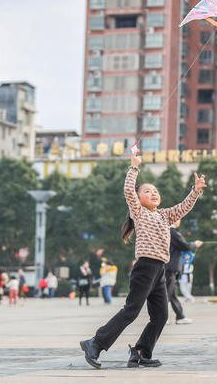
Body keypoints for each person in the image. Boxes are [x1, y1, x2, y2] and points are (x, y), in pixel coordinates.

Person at [80, 150, 206, 369]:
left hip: (159, 270)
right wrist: (134, 167)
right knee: (132, 310)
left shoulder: (165, 215)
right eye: (147, 191)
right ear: (138, 199)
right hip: (145, 267)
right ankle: (95, 343)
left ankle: (140, 352)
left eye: (156, 191)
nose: (153, 193)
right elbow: (128, 189)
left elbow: (183, 208)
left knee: (161, 316)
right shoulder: (138, 211)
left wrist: (195, 192)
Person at [166, 221, 203, 325]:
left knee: (172, 294)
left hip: (171, 267)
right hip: (170, 267)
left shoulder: (170, 231)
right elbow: (184, 246)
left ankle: (180, 316)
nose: (180, 221)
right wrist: (195, 244)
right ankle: (161, 318)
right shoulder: (172, 231)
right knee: (167, 294)